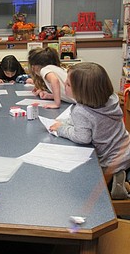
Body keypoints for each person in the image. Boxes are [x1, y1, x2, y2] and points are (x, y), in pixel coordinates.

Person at [49, 62, 130, 199]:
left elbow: (83, 137)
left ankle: (114, 185)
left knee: (83, 183)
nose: (64, 85)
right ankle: (124, 181)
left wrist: (62, 128)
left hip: (109, 162)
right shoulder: (111, 99)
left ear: (81, 91)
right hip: (125, 149)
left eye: (68, 84)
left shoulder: (81, 111)